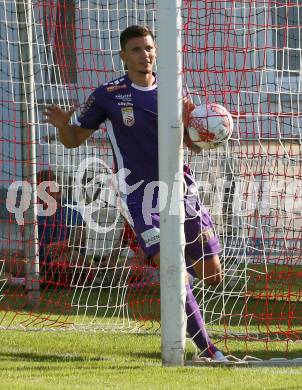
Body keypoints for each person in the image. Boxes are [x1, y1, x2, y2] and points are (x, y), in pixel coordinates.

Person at [43, 25, 226, 361]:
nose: (146, 55)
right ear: (124, 55)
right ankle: (208, 349)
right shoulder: (107, 95)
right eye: (137, 50)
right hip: (140, 198)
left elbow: (193, 148)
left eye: (149, 48)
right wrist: (61, 125)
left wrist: (205, 135)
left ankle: (186, 300)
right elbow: (74, 139)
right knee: (173, 270)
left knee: (212, 274)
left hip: (180, 191)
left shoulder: (176, 93)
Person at [36, 170, 89, 288]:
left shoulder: (72, 208)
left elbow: (79, 239)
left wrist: (63, 245)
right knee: (6, 255)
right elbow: (27, 245)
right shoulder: (33, 211)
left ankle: (40, 278)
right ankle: (40, 278)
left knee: (70, 258)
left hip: (65, 257)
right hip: (40, 260)